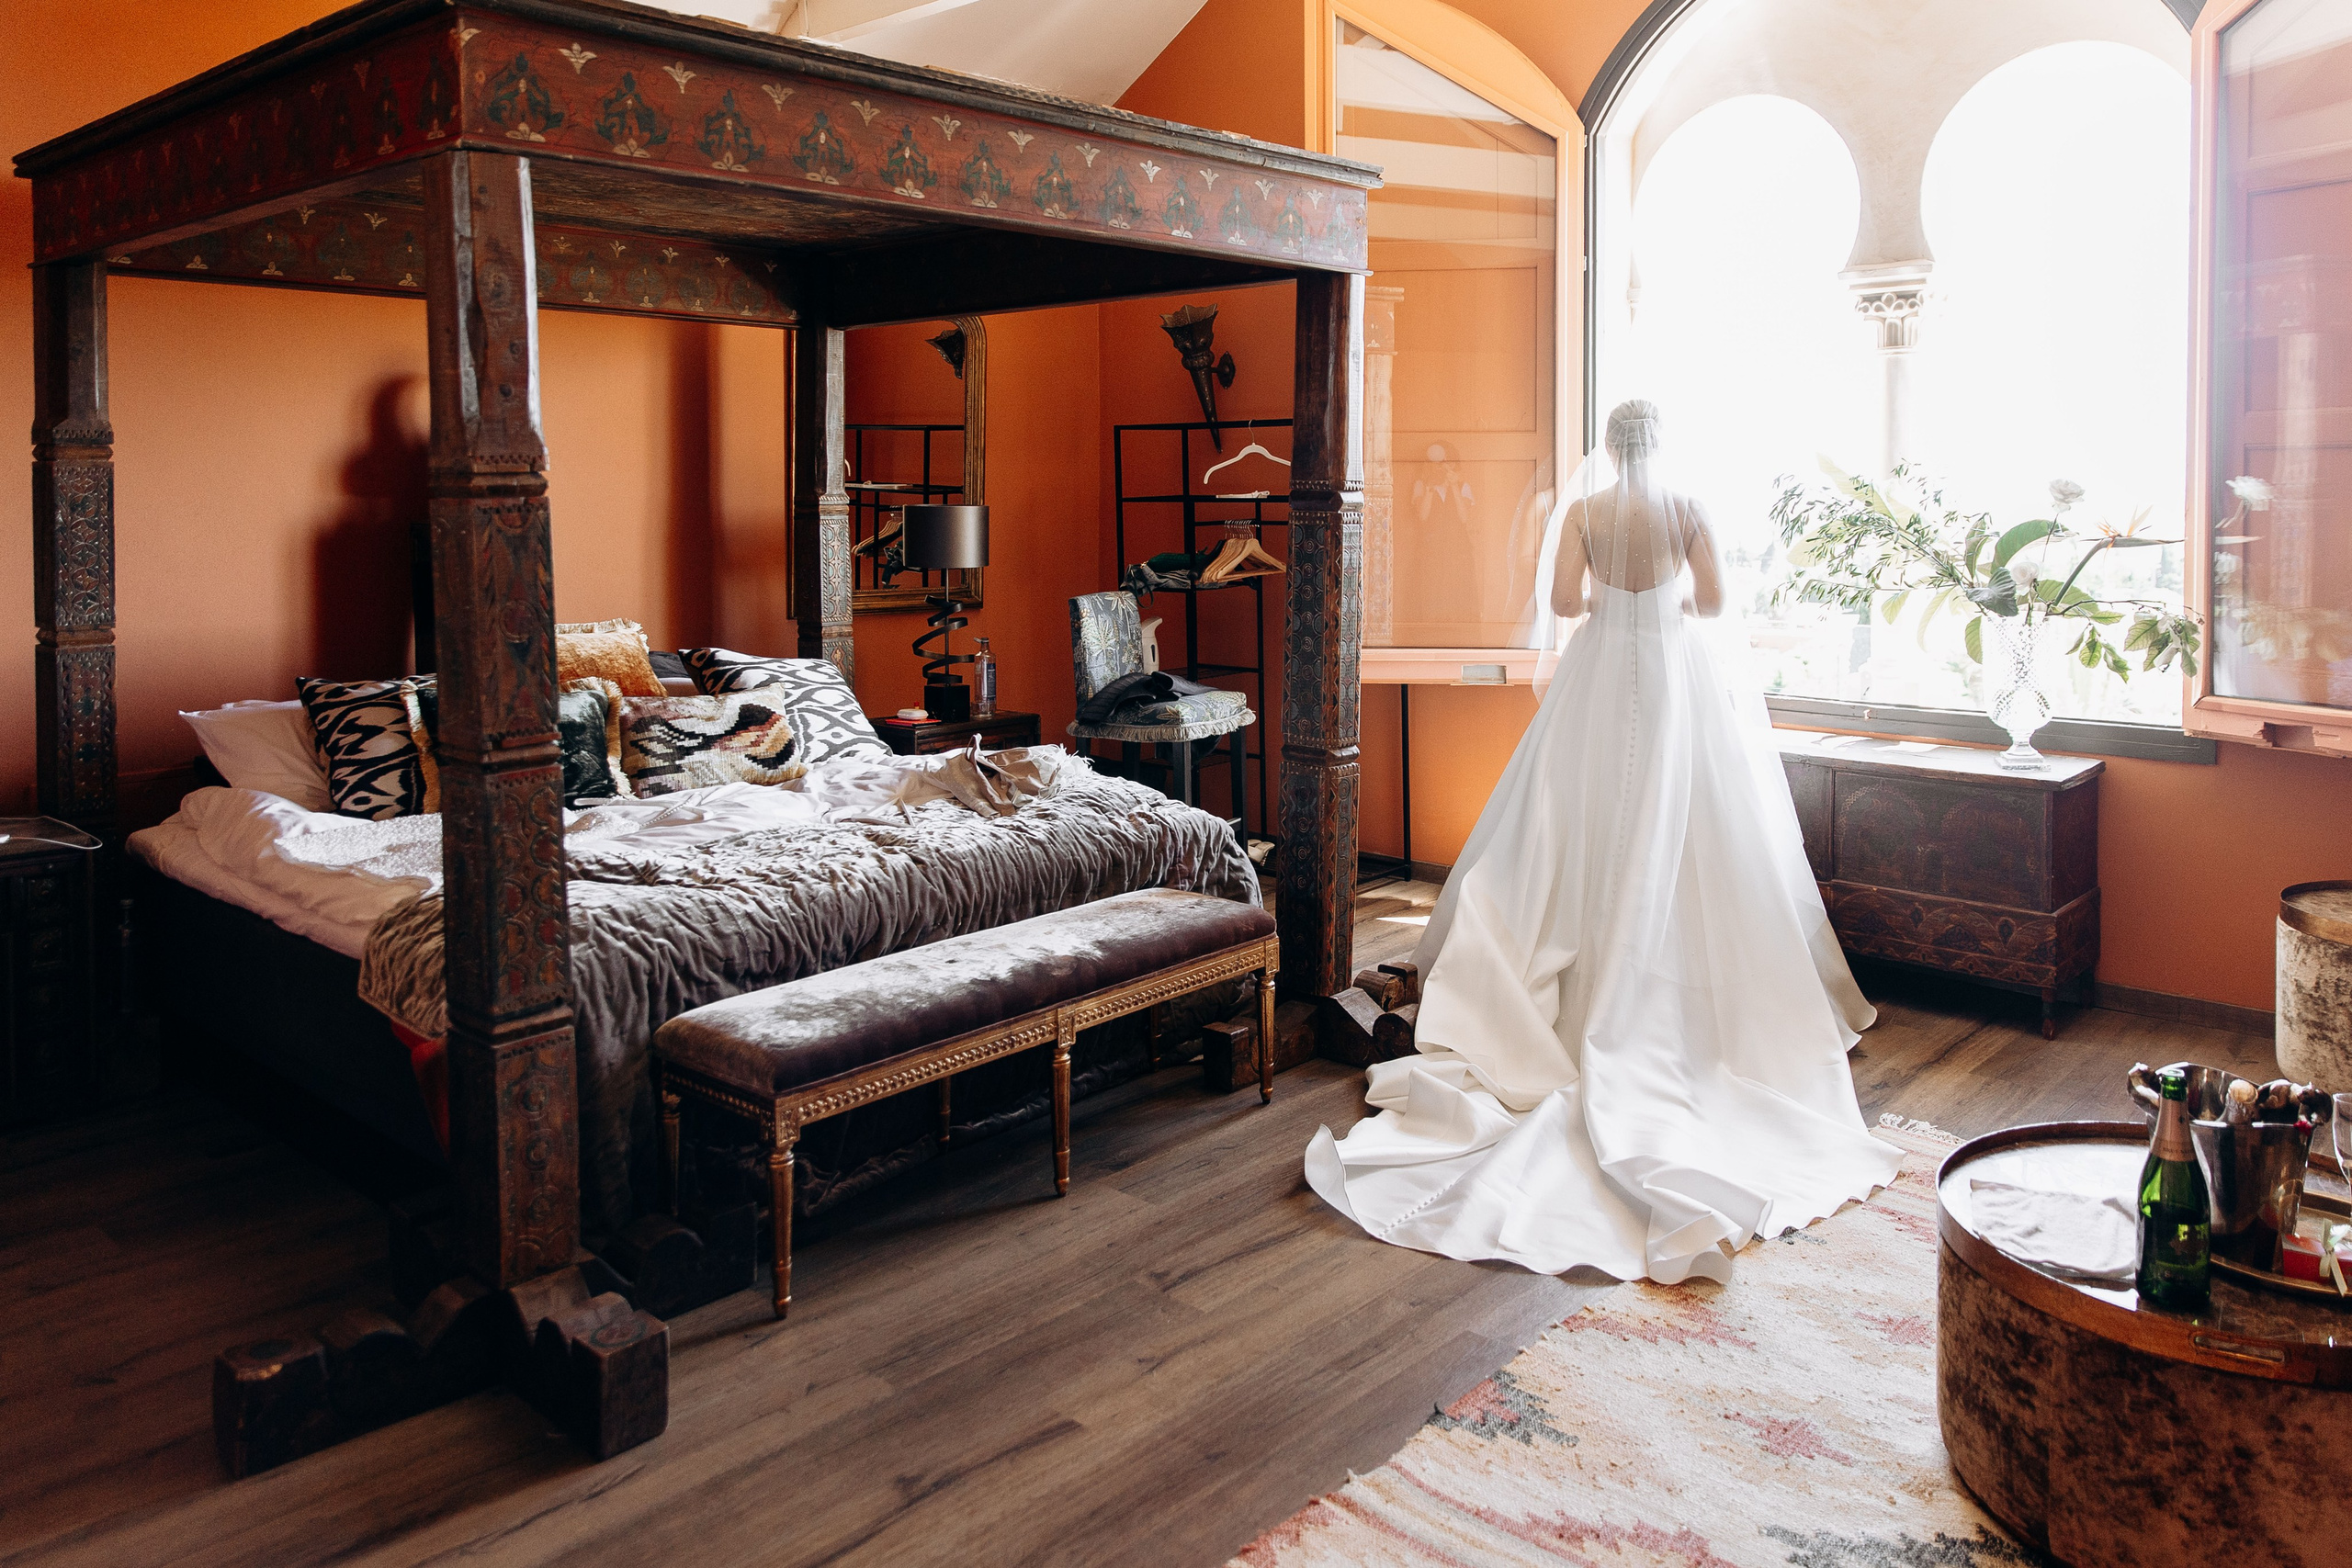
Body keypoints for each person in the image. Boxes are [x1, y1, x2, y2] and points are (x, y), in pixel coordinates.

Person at [1306, 400, 1901, 1285]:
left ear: (1609, 450)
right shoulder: (1687, 509)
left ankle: (1561, 985)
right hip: (1669, 674)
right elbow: (1715, 601)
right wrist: (1660, 595)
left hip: (1598, 676)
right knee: (1691, 828)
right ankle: (1683, 990)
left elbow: (1561, 602)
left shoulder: (1583, 513)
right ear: (1662, 443)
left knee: (1565, 826)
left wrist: (1610, 597)